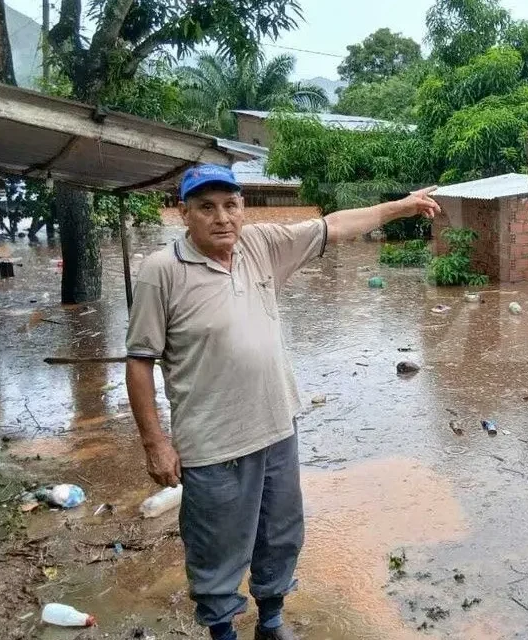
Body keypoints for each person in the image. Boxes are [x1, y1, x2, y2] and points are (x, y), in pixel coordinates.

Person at [125, 164, 439, 640]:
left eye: (230, 205)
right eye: (206, 207)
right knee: (216, 546)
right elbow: (139, 361)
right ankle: (222, 631)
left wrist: (403, 205)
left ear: (242, 208)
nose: (221, 217)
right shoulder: (160, 271)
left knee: (280, 533)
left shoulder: (262, 246)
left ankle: (270, 621)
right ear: (184, 213)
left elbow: (337, 225)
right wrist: (155, 443)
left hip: (276, 427)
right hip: (211, 442)